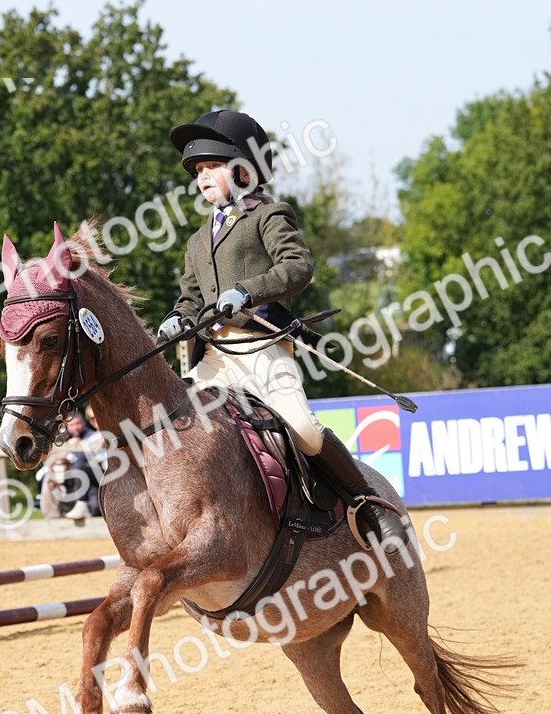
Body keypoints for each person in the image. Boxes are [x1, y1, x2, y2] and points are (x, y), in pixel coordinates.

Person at [157, 109, 406, 551]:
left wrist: (248, 292)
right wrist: (179, 316)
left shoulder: (269, 215)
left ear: (243, 169)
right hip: (213, 356)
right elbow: (191, 297)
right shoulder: (197, 240)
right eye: (198, 171)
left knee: (303, 429)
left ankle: (368, 506)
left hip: (261, 348)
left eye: (211, 166)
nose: (202, 177)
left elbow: (298, 266)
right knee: (173, 428)